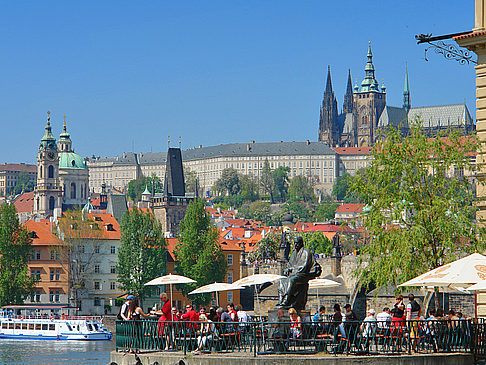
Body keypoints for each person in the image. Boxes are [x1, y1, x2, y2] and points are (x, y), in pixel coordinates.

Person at [278, 236, 322, 310]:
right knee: (282, 280)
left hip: (304, 274)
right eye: (294, 243)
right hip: (295, 274)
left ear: (301, 243)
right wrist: (288, 269)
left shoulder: (306, 252)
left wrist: (292, 269)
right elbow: (290, 264)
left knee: (292, 280)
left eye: (297, 243)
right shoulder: (294, 253)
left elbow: (303, 267)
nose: (295, 245)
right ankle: (281, 300)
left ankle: (286, 300)